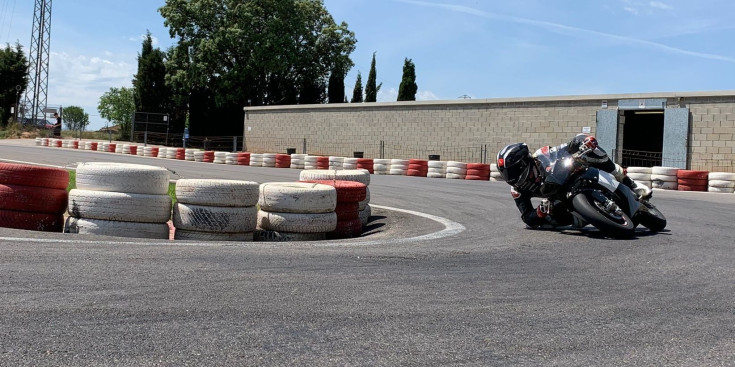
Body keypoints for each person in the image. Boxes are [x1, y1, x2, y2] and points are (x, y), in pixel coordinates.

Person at [497, 134, 652, 229]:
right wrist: (539, 213)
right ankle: (585, 216)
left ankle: (630, 183)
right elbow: (526, 217)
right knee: (547, 223)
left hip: (573, 173)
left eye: (523, 175)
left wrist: (585, 141)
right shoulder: (516, 189)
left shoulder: (543, 155)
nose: (522, 182)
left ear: (527, 162)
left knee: (593, 152)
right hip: (559, 199)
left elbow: (571, 144)